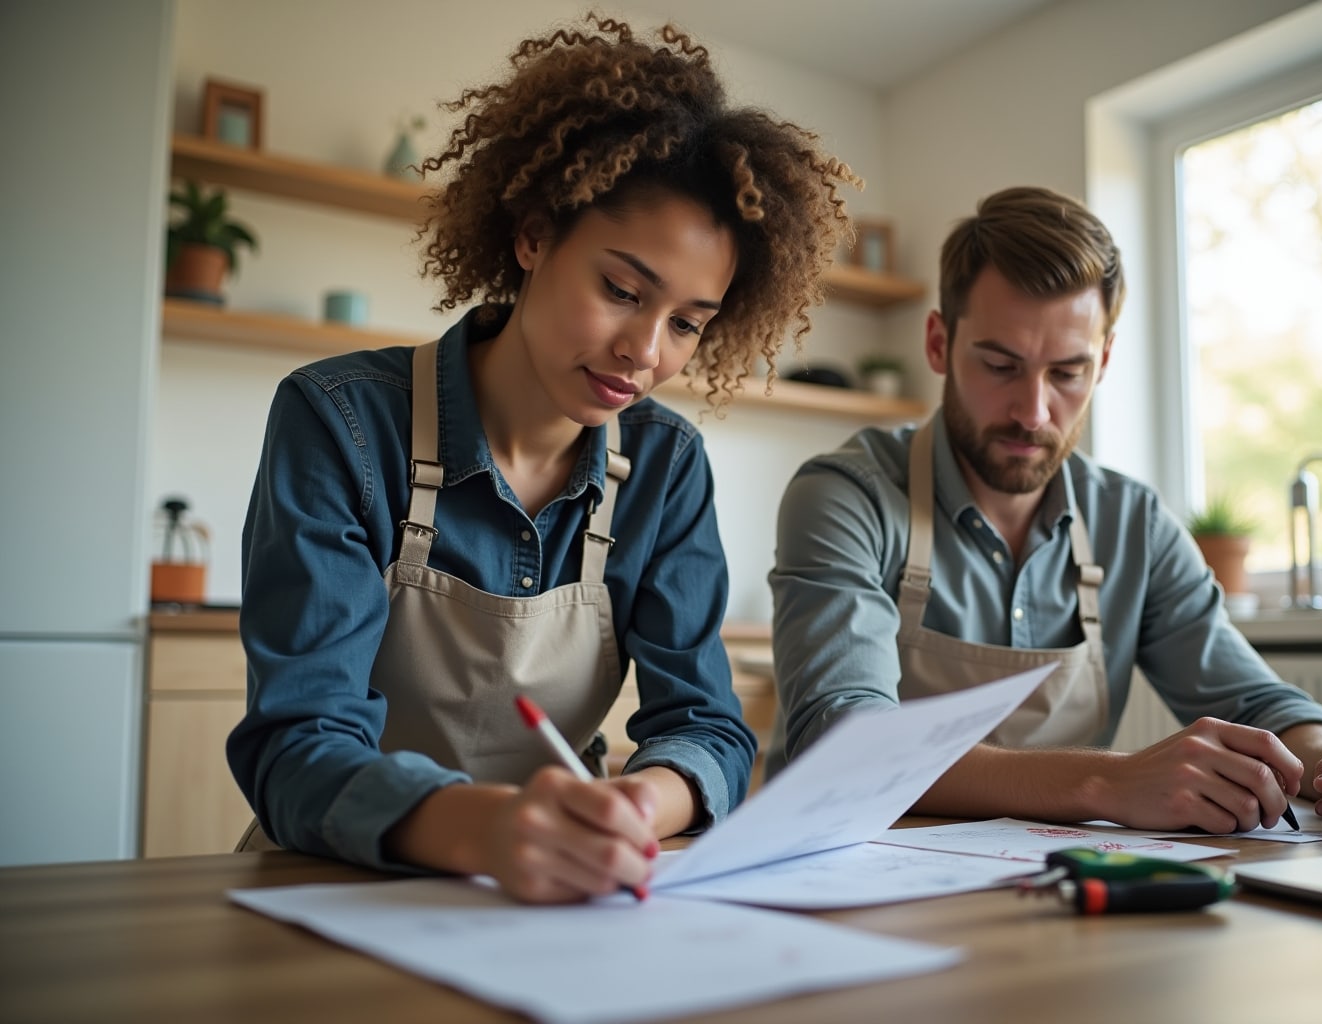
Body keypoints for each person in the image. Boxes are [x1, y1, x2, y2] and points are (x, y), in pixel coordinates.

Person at [228, 15, 859, 904]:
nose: (646, 350)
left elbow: (708, 727)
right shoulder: (342, 421)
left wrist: (643, 802)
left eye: (686, 322)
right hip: (332, 888)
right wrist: (488, 827)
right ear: (532, 238)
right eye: (621, 290)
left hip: (560, 894)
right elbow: (295, 747)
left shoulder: (666, 468)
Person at [766, 186, 1322, 834]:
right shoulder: (845, 496)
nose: (1033, 410)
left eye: (1067, 373)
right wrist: (1109, 779)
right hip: (852, 888)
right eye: (1001, 365)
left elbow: (1257, 702)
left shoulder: (1133, 525)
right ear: (939, 344)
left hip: (1056, 896)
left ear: (1103, 361)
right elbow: (845, 746)